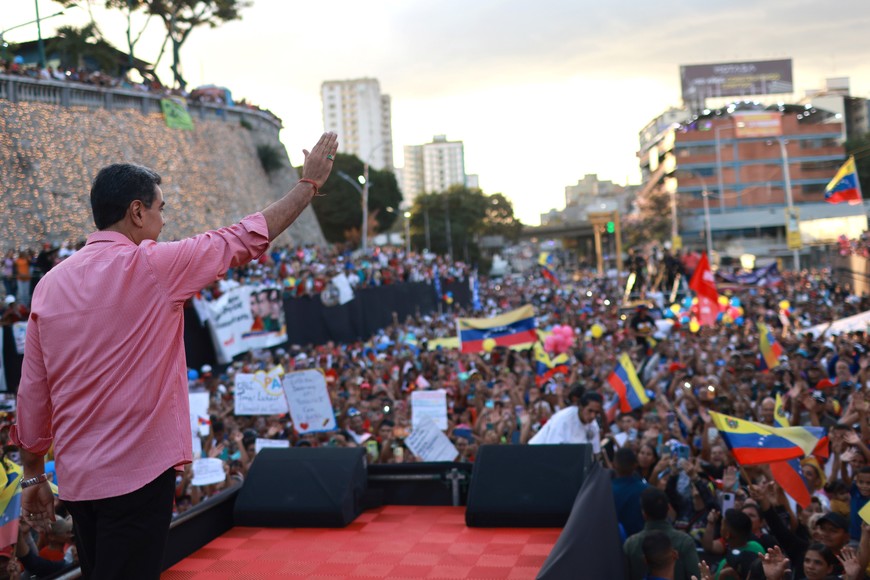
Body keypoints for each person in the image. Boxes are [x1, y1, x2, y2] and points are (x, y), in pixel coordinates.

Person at [10, 132, 339, 579]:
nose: (164, 222)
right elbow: (244, 237)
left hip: (78, 482)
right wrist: (308, 186)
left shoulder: (48, 284)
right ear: (137, 211)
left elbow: (33, 392)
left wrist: (33, 477)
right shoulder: (154, 265)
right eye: (161, 209)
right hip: (138, 478)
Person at [623, 487, 700, 580]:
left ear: (644, 513)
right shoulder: (685, 542)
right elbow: (696, 576)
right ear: (668, 509)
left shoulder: (630, 545)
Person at [526, 390, 602, 454]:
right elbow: (552, 449)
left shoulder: (593, 425)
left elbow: (595, 452)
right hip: (537, 453)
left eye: (596, 412)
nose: (593, 416)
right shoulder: (563, 418)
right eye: (590, 411)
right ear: (581, 407)